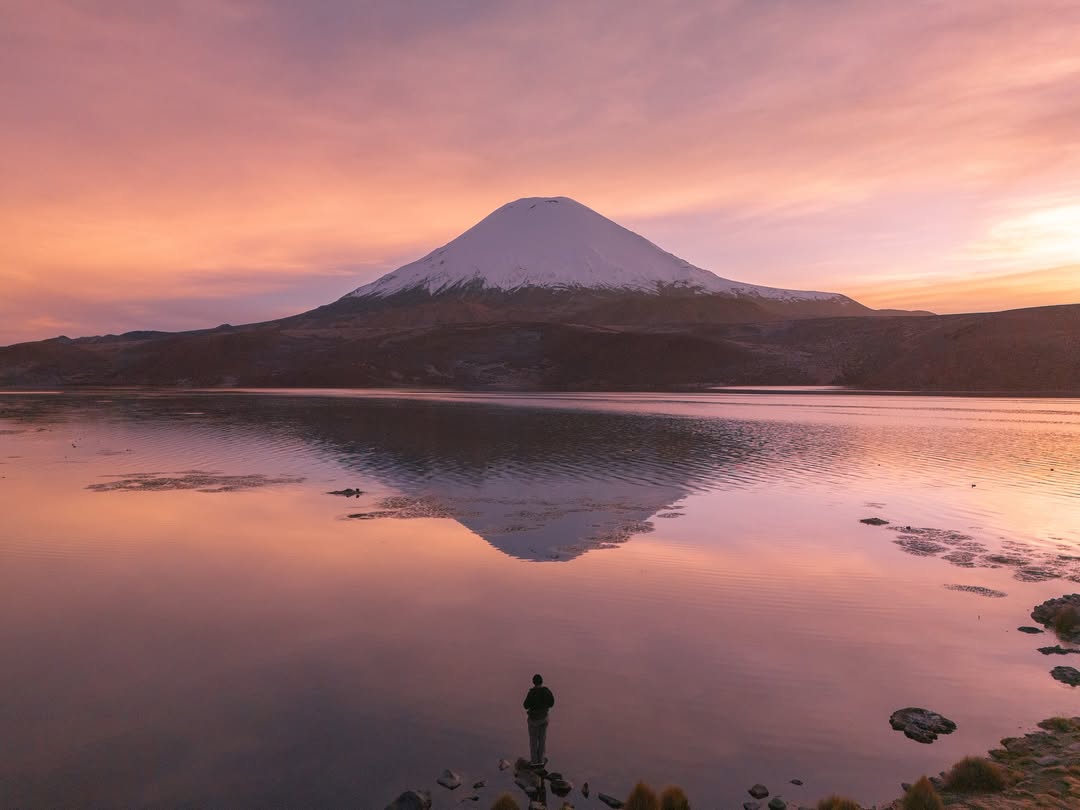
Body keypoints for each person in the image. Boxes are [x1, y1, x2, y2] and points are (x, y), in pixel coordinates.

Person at [523, 673, 555, 768]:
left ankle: (534, 762)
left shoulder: (532, 693)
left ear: (533, 682)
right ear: (542, 682)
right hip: (544, 719)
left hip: (534, 720)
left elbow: (525, 706)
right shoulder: (547, 691)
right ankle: (541, 761)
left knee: (533, 742)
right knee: (542, 740)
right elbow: (552, 703)